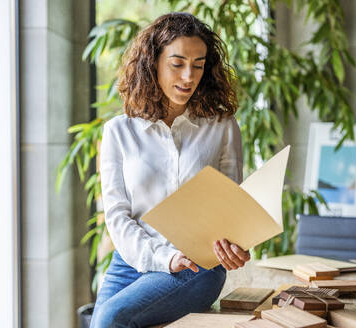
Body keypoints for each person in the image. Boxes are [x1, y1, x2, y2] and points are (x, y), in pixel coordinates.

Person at [90, 12, 250, 327]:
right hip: (130, 261)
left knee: (110, 319)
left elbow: (231, 208)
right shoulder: (118, 132)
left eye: (199, 65)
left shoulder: (222, 127)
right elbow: (117, 216)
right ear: (153, 62)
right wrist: (164, 258)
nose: (189, 76)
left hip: (196, 263)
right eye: (177, 64)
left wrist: (236, 242)